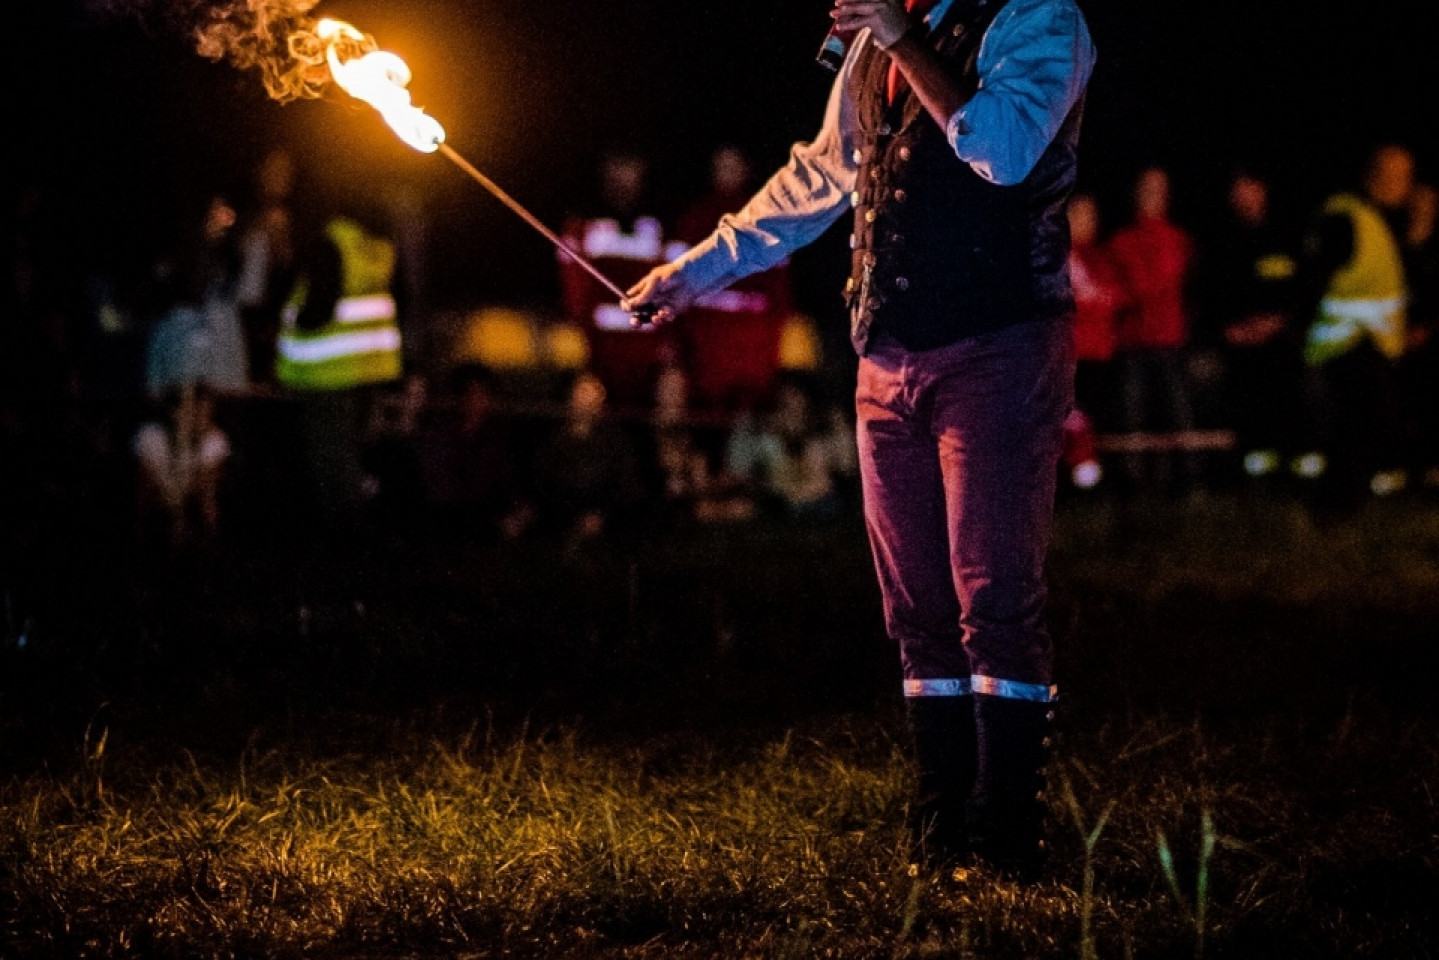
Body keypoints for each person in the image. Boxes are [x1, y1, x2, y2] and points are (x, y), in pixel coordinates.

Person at [624, 0, 1095, 880]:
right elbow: (818, 177)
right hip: (886, 356)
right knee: (915, 606)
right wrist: (692, 275)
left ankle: (1006, 835)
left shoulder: (1038, 16)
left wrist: (901, 38)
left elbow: (1002, 151)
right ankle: (941, 825)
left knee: (992, 595)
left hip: (996, 345)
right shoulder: (881, 41)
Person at [1294, 142, 1412, 509]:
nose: (1404, 186)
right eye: (1398, 177)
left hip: (1365, 344)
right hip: (1347, 344)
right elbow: (1316, 277)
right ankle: (1334, 503)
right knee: (1363, 422)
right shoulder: (1347, 217)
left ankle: (1339, 503)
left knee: (1363, 424)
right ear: (1374, 176)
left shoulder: (1373, 219)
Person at [275, 206, 405, 531]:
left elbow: (318, 307)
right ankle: (356, 527)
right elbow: (401, 299)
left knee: (331, 457)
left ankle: (342, 533)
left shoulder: (330, 244)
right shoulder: (378, 247)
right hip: (369, 370)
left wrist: (291, 317)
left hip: (328, 372)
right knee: (355, 452)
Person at [1195, 167, 1303, 483]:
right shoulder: (1219, 240)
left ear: (1262, 189)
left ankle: (1289, 464)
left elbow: (1301, 289)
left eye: (1250, 187)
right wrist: (1227, 328)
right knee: (1238, 397)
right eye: (1237, 190)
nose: (1244, 196)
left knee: (1286, 393)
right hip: (1236, 340)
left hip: (1281, 338)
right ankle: (1241, 469)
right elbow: (1207, 292)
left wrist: (1277, 321)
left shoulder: (1286, 235)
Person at [671, 145, 797, 412]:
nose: (726, 174)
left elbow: (778, 291)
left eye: (732, 166)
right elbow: (679, 284)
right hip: (705, 344)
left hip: (751, 346)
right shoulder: (694, 220)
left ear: (745, 170)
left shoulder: (764, 221)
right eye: (721, 167)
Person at [558, 149, 676, 411]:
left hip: (648, 357)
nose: (624, 175)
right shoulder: (582, 223)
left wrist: (666, 344)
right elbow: (574, 290)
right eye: (618, 166)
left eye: (631, 166)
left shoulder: (660, 225)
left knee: (664, 397)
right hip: (597, 353)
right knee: (589, 403)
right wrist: (585, 344)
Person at [1108, 164, 1201, 493]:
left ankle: (1188, 478)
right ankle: (1132, 481)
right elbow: (1127, 289)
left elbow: (1181, 286)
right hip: (1133, 339)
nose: (1152, 195)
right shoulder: (1121, 241)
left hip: (1171, 338)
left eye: (1159, 189)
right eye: (1147, 188)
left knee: (1178, 410)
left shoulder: (1179, 239)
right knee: (1132, 412)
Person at [1063, 191, 1128, 490]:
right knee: (1073, 418)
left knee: (1099, 417)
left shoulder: (1103, 257)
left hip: (1102, 352)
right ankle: (1073, 480)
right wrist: (1095, 302)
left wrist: (1097, 301)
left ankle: (1101, 480)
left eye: (1091, 215)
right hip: (1072, 354)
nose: (1087, 222)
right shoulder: (1059, 258)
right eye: (1080, 215)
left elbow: (1119, 296)